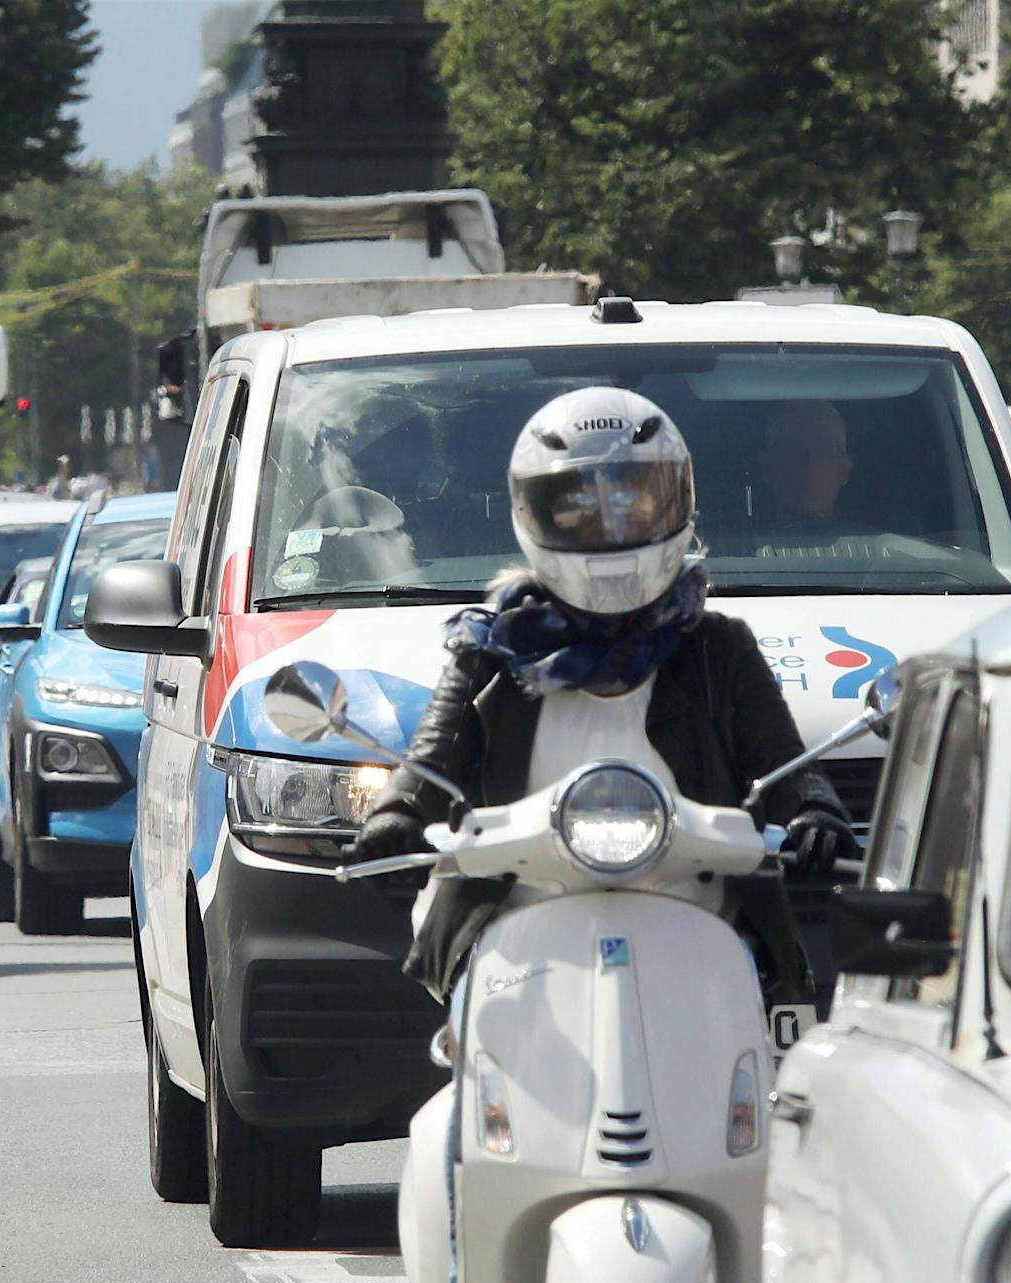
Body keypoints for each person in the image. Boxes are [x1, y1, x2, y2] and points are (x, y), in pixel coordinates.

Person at [348, 386, 856, 1005]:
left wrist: (813, 809)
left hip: (703, 925)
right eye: (577, 507)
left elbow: (780, 759)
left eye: (635, 501)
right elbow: (433, 757)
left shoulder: (717, 647)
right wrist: (396, 813)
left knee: (740, 1078)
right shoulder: (494, 650)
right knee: (480, 1074)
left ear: (679, 503)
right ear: (533, 513)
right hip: (513, 927)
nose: (610, 525)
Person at [759, 400, 854, 530]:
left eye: (823, 448)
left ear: (844, 469)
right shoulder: (732, 549)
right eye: (792, 448)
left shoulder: (884, 548)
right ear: (766, 467)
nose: (809, 461)